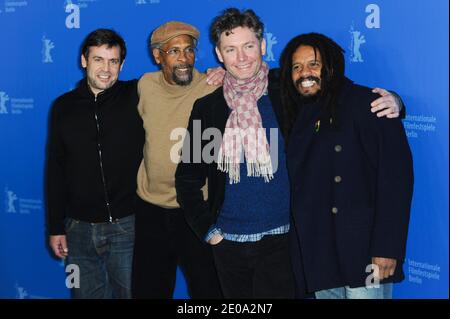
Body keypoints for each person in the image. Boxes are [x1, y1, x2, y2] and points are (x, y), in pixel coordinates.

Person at [175, 8, 403, 299]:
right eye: (230, 49)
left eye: (248, 46)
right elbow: (188, 178)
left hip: (285, 241)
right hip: (228, 245)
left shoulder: (287, 92)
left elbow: (337, 92)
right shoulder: (209, 109)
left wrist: (395, 102)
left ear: (263, 45)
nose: (241, 57)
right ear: (219, 54)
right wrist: (210, 232)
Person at [279, 32, 414, 299]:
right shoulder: (299, 110)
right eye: (297, 67)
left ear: (331, 66)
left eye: (313, 64)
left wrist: (388, 248)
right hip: (319, 252)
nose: (304, 73)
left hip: (364, 253)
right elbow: (248, 75)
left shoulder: (369, 104)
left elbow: (396, 181)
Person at [46, 29, 145, 298]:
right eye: (98, 59)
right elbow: (55, 169)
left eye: (113, 61)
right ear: (84, 61)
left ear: (121, 65)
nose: (106, 69)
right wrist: (56, 227)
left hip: (128, 225)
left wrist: (214, 76)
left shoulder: (137, 94)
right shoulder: (62, 107)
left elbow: (178, 82)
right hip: (77, 230)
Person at [131, 21, 223, 299]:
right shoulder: (145, 85)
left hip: (196, 210)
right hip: (151, 210)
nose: (184, 58)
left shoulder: (212, 86)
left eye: (189, 50)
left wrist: (225, 73)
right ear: (158, 56)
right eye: (173, 51)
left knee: (209, 291)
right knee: (149, 290)